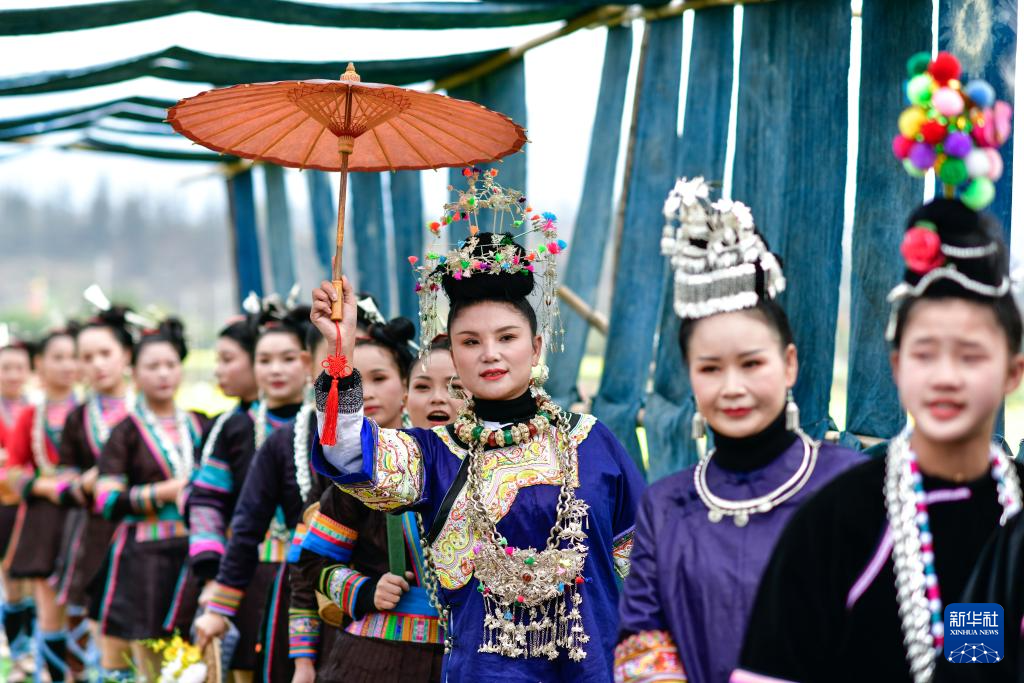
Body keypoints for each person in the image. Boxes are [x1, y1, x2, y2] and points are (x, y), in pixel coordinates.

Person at [308, 173, 646, 682]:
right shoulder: (433, 454)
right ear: (451, 355)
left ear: (534, 348)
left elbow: (645, 571)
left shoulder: (592, 441)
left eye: (506, 336)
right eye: (470, 342)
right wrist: (340, 350)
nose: (489, 353)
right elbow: (347, 455)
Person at [731, 197, 1024, 683]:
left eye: (971, 355)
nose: (945, 377)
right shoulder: (837, 520)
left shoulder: (1015, 507)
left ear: (1013, 371)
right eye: (925, 354)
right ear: (896, 366)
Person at [614, 178, 864, 683]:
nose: (732, 387)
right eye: (710, 369)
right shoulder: (666, 506)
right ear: (690, 375)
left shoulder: (852, 485)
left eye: (752, 364)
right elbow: (642, 640)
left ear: (789, 365)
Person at [289, 322, 451, 683]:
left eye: (455, 387)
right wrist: (365, 591)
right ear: (408, 395)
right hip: (376, 660)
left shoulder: (498, 471)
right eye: (424, 386)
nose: (439, 398)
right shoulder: (375, 467)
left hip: (469, 658)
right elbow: (313, 560)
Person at [191, 304, 317, 683]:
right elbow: (207, 502)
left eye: (287, 358)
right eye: (265, 359)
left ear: (309, 363)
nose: (275, 370)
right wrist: (212, 575)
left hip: (313, 576)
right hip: (248, 573)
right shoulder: (231, 427)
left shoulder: (324, 427)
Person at [93, 318, 208, 681]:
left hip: (195, 550)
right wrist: (163, 492)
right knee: (152, 656)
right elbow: (106, 501)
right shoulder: (124, 432)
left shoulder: (200, 423)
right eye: (152, 366)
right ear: (134, 373)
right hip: (144, 558)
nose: (163, 374)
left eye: (170, 365)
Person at [54, 306, 136, 680]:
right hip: (96, 537)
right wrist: (84, 483)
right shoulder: (78, 418)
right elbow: (63, 483)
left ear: (127, 356)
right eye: (87, 358)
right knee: (100, 630)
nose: (98, 365)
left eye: (106, 354)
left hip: (150, 537)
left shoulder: (152, 408)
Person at [3, 325, 79, 682]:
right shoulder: (32, 418)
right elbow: (16, 472)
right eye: (57, 358)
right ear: (42, 364)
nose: (67, 366)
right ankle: (41, 666)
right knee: (44, 606)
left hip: (89, 521)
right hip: (40, 521)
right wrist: (48, 487)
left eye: (73, 357)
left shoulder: (91, 412)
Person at [0, 338, 35, 678]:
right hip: (4, 509)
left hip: (33, 507)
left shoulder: (36, 411)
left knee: (35, 582)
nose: (12, 375)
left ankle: (34, 649)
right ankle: (19, 652)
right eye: (5, 368)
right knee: (11, 581)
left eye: (18, 368)